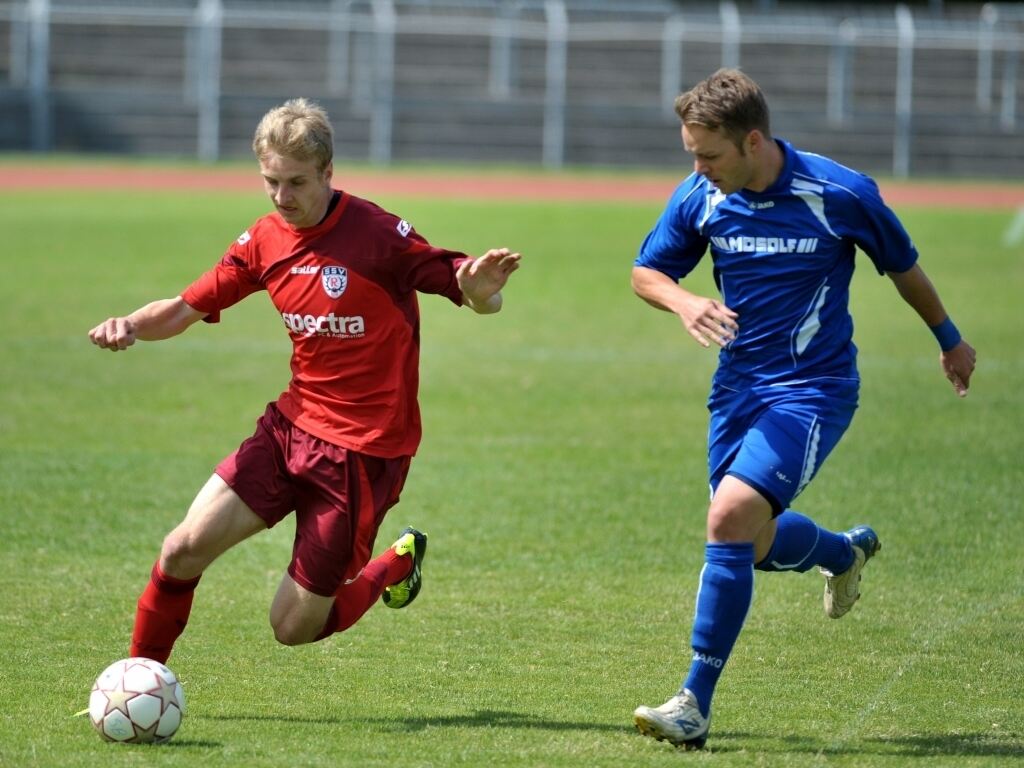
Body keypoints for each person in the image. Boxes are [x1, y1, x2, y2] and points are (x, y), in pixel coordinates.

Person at [88, 98, 521, 664]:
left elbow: (472, 292)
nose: (282, 197)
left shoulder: (379, 236)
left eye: (296, 182)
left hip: (363, 455)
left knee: (291, 628)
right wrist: (131, 326)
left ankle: (393, 563)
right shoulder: (264, 240)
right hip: (289, 431)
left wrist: (483, 290)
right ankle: (137, 678)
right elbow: (181, 309)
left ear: (328, 173)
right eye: (271, 181)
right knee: (181, 549)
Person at [629, 69, 975, 750]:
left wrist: (949, 339)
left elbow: (903, 267)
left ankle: (693, 702)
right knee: (750, 541)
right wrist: (686, 301)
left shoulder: (840, 193)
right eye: (690, 155)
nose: (696, 168)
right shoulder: (703, 194)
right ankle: (843, 552)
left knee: (727, 517)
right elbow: (647, 271)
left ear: (753, 141)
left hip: (813, 389)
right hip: (737, 388)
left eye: (708, 155)